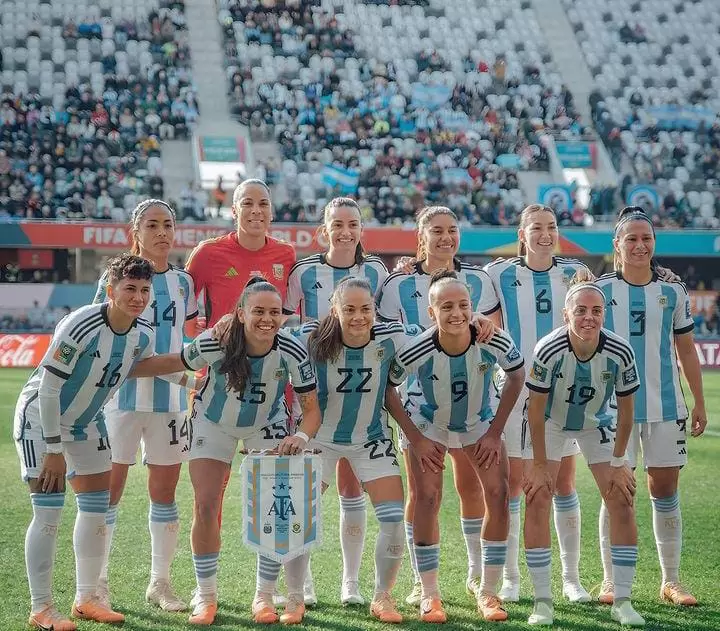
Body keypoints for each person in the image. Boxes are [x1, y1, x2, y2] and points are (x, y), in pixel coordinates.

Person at [131, 279, 322, 626]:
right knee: (205, 505)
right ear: (240, 313)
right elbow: (178, 361)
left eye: (274, 312)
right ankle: (206, 596)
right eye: (258, 311)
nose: (267, 319)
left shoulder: (292, 350)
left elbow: (311, 408)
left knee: (275, 509)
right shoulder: (215, 341)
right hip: (212, 422)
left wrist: (302, 437)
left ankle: (263, 596)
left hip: (267, 424)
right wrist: (127, 368)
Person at [253, 277, 417, 624]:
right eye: (350, 309)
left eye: (365, 309)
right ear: (334, 310)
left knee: (392, 520)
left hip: (370, 439)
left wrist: (478, 323)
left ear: (374, 309)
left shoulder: (393, 337)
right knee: (296, 519)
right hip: (318, 440)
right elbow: (265, 336)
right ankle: (292, 598)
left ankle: (382, 597)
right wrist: (229, 323)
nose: (359, 317)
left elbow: (435, 336)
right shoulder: (310, 339)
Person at [13, 254, 157, 631]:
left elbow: (140, 368)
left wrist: (194, 378)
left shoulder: (144, 334)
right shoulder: (81, 322)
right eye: (130, 288)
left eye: (144, 289)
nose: (138, 297)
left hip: (86, 421)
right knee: (48, 514)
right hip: (40, 420)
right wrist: (54, 449)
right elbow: (48, 389)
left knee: (96, 509)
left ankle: (87, 598)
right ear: (110, 290)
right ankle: (41, 607)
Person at [376, 206, 502, 608]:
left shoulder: (479, 279)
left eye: (452, 230)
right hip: (420, 404)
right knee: (424, 494)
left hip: (472, 400)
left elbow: (496, 334)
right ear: (421, 235)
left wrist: (483, 324)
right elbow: (383, 338)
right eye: (437, 231)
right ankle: (421, 581)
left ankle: (477, 572)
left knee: (470, 486)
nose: (446, 238)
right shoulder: (397, 283)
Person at [387, 270, 525, 623]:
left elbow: (516, 376)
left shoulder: (491, 338)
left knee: (498, 493)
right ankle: (430, 594)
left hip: (478, 420)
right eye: (446, 306)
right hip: (427, 421)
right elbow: (389, 390)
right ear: (431, 313)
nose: (457, 313)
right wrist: (416, 440)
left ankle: (489, 591)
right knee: (428, 497)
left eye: (463, 305)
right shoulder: (417, 347)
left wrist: (494, 432)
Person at [595, 207, 707, 606]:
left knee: (665, 489)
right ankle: (610, 580)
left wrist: (698, 401)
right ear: (617, 245)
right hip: (613, 410)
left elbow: (686, 351)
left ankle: (671, 581)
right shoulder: (600, 291)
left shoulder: (673, 291)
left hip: (666, 405)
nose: (640, 246)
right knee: (617, 492)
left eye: (647, 239)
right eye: (632, 239)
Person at [483, 204, 592, 602]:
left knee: (563, 483)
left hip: (563, 392)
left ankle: (571, 578)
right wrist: (412, 264)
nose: (545, 234)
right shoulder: (497, 274)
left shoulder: (576, 274)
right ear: (522, 234)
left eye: (551, 227)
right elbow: (452, 279)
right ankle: (510, 578)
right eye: (536, 228)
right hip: (514, 390)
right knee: (515, 485)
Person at [94, 200, 199, 611]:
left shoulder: (183, 282)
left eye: (167, 225)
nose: (161, 232)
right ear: (135, 231)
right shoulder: (113, 277)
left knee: (165, 493)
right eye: (152, 225)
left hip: (171, 402)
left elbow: (179, 338)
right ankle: (97, 582)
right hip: (119, 399)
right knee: (108, 493)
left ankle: (160, 582)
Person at [283, 197, 389, 606]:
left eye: (353, 224)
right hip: (315, 397)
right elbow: (287, 320)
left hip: (361, 394)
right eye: (337, 224)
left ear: (362, 229)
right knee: (309, 491)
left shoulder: (376, 270)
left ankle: (350, 583)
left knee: (352, 489)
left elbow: (384, 321)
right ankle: (303, 582)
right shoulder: (304, 270)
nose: (345, 231)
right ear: (323, 231)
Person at [523, 281, 644, 627]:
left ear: (604, 313)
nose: (589, 317)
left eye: (596, 311)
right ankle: (543, 601)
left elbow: (626, 410)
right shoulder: (548, 349)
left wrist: (620, 462)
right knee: (538, 496)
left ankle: (622, 600)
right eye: (580, 310)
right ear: (566, 314)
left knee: (622, 496)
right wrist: (540, 464)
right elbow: (535, 409)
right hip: (551, 422)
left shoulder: (620, 351)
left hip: (597, 422)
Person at [185, 179, 296, 327]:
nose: (256, 210)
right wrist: (193, 327)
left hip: (269, 348)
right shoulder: (207, 252)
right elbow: (183, 299)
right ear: (234, 211)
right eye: (247, 203)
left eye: (263, 204)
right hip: (221, 348)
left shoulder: (286, 254)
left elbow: (291, 307)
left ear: (271, 212)